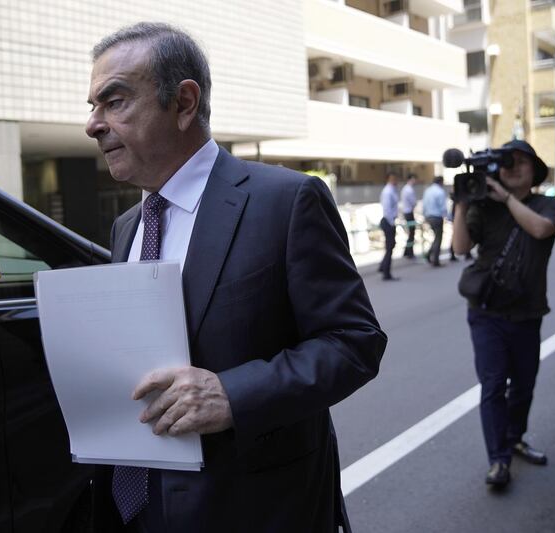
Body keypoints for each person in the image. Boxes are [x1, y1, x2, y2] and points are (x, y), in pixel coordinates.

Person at [85, 22, 387, 533]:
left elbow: (354, 343)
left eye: (113, 102)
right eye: (92, 106)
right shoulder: (126, 227)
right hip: (137, 508)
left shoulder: (286, 201)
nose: (93, 124)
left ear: (183, 103)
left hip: (255, 507)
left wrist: (233, 394)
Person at [452, 139, 555, 488]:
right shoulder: (484, 207)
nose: (512, 167)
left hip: (528, 314)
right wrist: (463, 201)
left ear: (535, 171)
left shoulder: (548, 204)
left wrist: (507, 199)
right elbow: (459, 247)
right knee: (494, 385)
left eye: (521, 162)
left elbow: (541, 230)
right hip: (486, 313)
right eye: (507, 162)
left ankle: (514, 438)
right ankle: (498, 460)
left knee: (524, 386)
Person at [422, 175, 447, 266]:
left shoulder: (428, 190)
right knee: (438, 238)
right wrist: (447, 217)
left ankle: (429, 255)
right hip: (437, 216)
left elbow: (424, 204)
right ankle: (435, 259)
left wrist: (424, 215)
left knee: (436, 237)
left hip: (429, 216)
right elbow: (443, 207)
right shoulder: (440, 192)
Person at [379, 172, 400, 280]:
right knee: (389, 247)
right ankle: (386, 272)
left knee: (390, 246)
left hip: (389, 221)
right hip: (388, 221)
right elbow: (387, 209)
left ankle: (383, 267)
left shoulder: (391, 190)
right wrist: (392, 223)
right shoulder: (388, 191)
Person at [401, 173, 418, 258]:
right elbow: (413, 202)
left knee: (410, 233)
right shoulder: (409, 189)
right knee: (411, 233)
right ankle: (409, 252)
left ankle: (407, 251)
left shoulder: (405, 189)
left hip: (406, 211)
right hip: (409, 212)